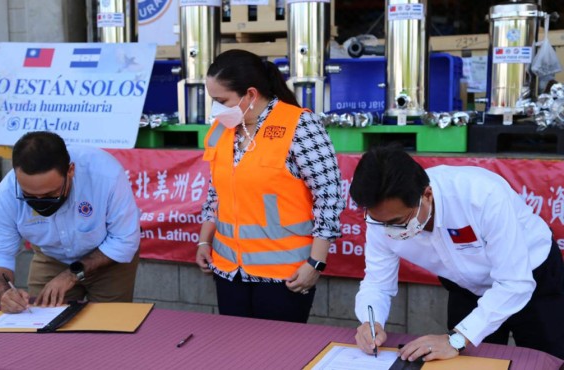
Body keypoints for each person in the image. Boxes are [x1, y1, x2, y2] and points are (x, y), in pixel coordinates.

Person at [349, 144, 564, 360]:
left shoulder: (481, 195)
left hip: (533, 278)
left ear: (427, 195)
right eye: (380, 221)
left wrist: (457, 338)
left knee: (545, 358)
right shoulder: (381, 219)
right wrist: (371, 321)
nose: (389, 230)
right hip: (467, 287)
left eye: (398, 221)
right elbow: (377, 283)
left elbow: (515, 283)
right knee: (465, 362)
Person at [195, 49, 345, 323]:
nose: (216, 109)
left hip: (285, 275)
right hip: (229, 271)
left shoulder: (299, 125)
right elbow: (215, 192)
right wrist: (205, 240)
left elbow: (330, 198)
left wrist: (316, 263)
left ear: (250, 94)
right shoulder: (221, 129)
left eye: (221, 100)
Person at [0, 131, 141, 313]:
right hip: (52, 257)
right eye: (30, 195)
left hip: (108, 259)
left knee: (109, 326)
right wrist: (4, 293)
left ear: (70, 171)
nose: (40, 201)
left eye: (50, 194)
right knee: (40, 324)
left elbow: (124, 240)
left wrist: (72, 275)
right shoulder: (6, 193)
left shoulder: (106, 175)